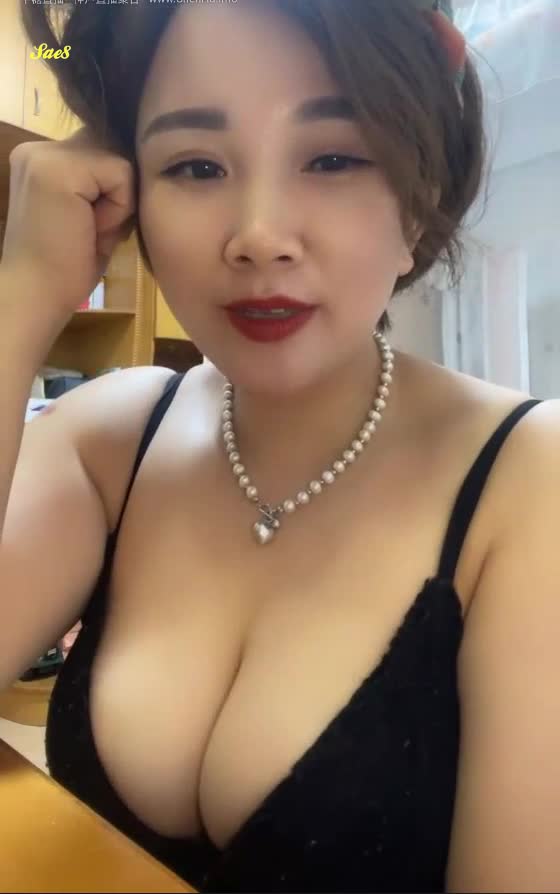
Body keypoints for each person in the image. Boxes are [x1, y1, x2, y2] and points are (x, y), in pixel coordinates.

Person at [1, 0, 559, 890]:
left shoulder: (530, 480)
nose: (259, 236)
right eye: (195, 165)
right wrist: (23, 294)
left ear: (420, 191)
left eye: (333, 157)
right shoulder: (112, 437)